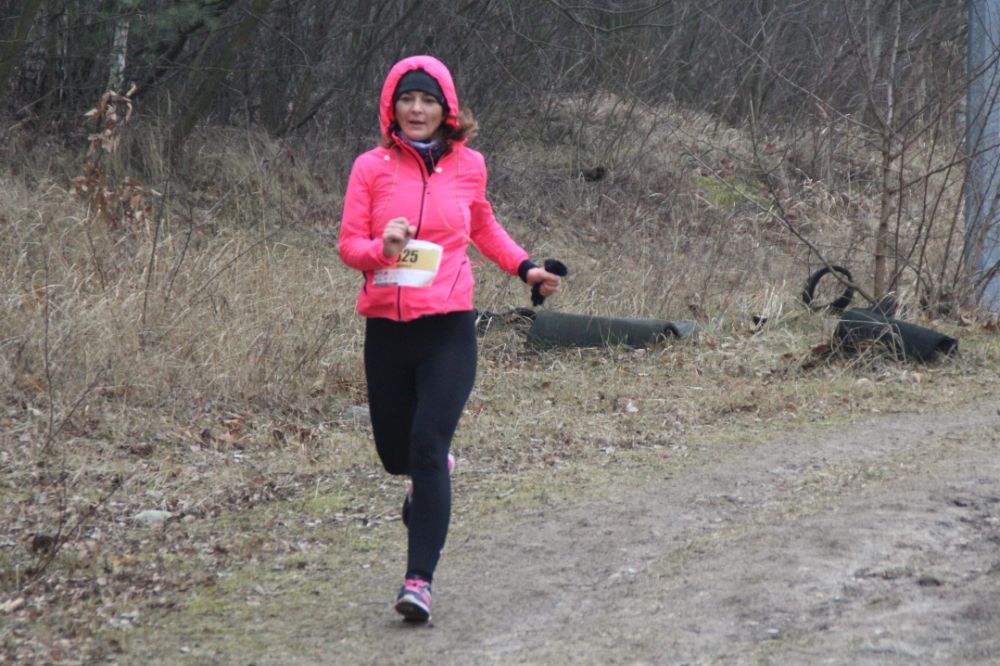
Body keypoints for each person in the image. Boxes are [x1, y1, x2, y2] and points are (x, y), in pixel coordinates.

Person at [337, 55, 561, 622]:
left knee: (427, 447)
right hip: (387, 331)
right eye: (407, 99)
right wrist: (382, 249)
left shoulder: (469, 165)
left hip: (447, 329)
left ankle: (419, 582)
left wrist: (526, 268)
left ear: (446, 110)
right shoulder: (370, 168)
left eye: (428, 101)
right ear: (392, 107)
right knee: (396, 457)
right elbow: (349, 246)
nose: (417, 109)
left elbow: (482, 227)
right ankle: (424, 480)